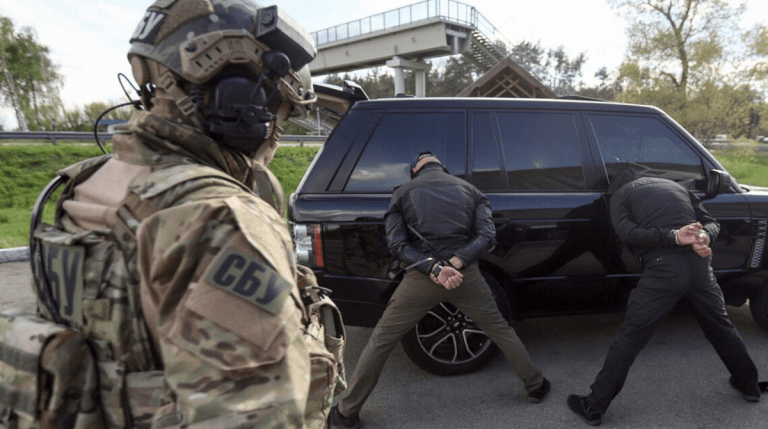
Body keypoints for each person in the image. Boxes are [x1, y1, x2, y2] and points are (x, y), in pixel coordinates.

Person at [25, 1, 344, 428]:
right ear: (239, 96)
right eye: (279, 110)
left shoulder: (85, 183)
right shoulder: (217, 220)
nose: (276, 133)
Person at [330, 152, 550, 428]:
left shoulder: (402, 193)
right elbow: (487, 236)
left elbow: (397, 246)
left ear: (415, 170)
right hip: (465, 276)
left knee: (381, 341)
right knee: (500, 330)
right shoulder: (472, 191)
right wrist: (456, 262)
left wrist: (434, 268)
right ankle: (536, 385)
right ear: (442, 167)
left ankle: (346, 413)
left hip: (421, 279)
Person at [567, 169, 764, 426]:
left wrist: (671, 236)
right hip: (701, 267)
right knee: (721, 326)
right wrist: (705, 235)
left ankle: (594, 406)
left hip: (663, 269)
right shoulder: (678, 187)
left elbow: (627, 233)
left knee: (630, 337)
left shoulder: (621, 195)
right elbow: (712, 223)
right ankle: (749, 385)